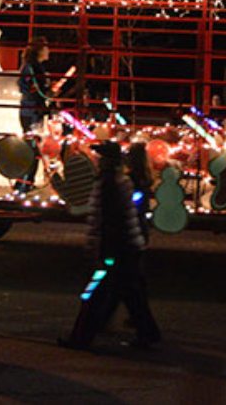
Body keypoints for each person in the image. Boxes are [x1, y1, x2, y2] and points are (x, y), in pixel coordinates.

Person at [59, 141, 160, 350]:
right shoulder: (119, 181)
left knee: (94, 294)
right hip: (127, 247)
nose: (97, 160)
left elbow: (109, 221)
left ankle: (80, 338)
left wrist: (104, 253)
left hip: (115, 249)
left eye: (100, 157)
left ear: (107, 161)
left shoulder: (108, 184)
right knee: (129, 295)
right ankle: (148, 334)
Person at [16, 37, 52, 194]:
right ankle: (24, 182)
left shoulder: (34, 68)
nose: (48, 51)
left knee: (33, 146)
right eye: (46, 48)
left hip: (32, 110)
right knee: (32, 147)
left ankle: (25, 182)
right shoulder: (33, 68)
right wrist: (47, 93)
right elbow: (35, 90)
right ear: (39, 50)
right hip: (32, 111)